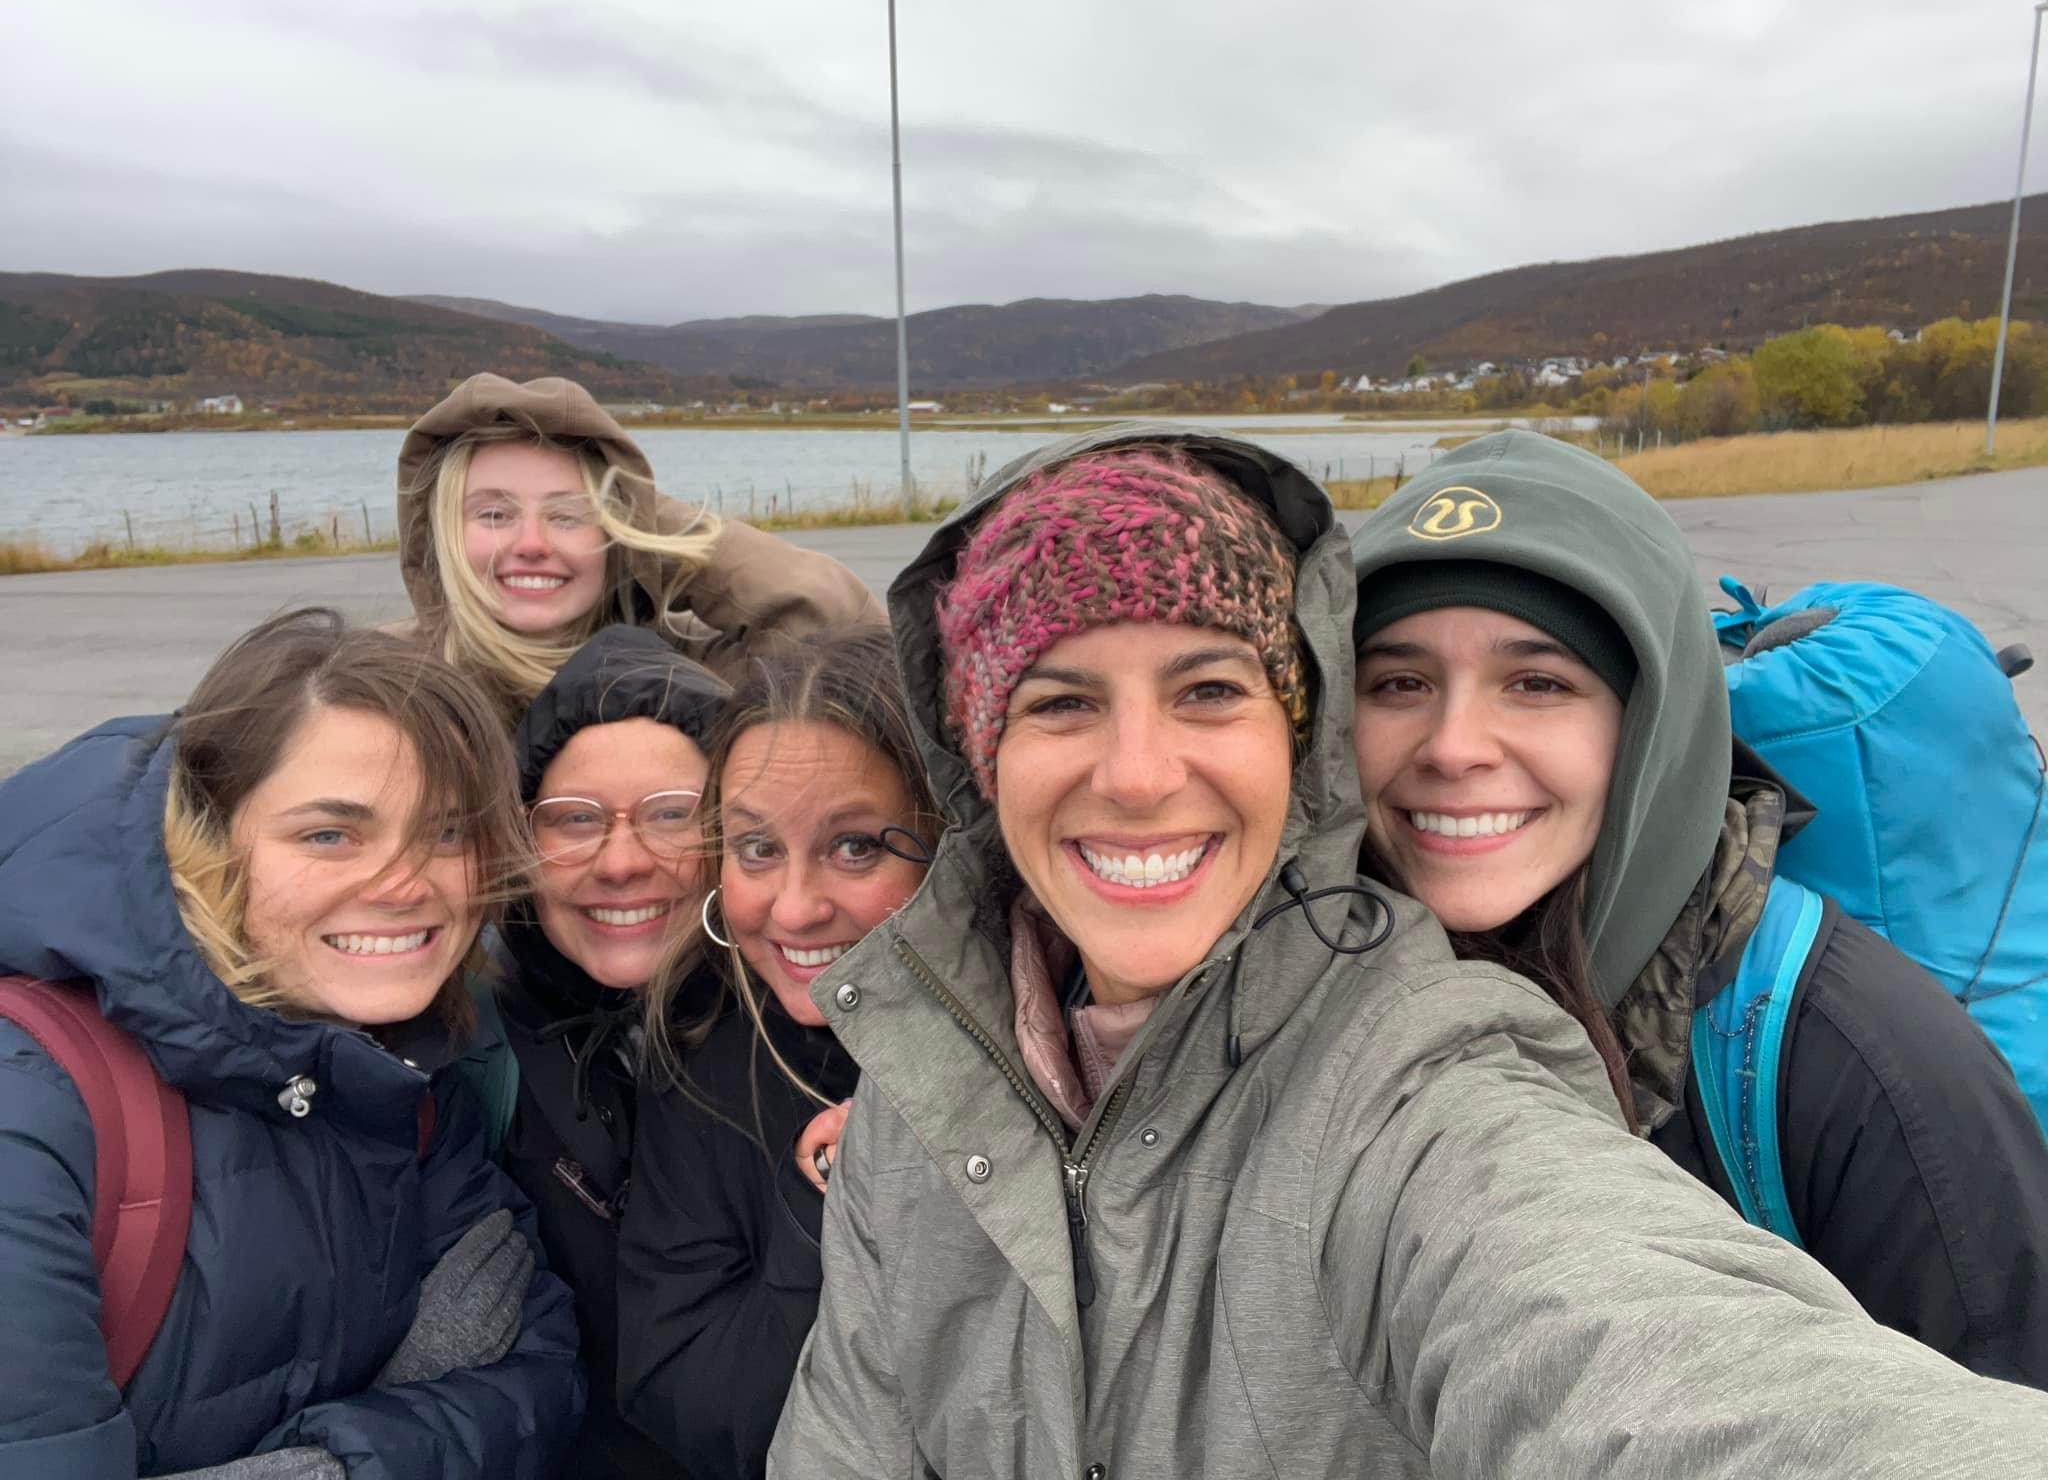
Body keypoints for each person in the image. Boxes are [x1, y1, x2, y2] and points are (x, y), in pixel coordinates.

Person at [768, 424, 2048, 1479]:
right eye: (1059, 701)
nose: (1449, 750)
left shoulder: (1451, 1083)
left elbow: (1644, 1352)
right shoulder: (921, 1090)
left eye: (1210, 688)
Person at [1346, 427, 2048, 1385]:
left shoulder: (1863, 1069)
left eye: (1539, 682)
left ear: (1650, 723)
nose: (1453, 745)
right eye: (1399, 682)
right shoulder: (1292, 989)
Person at [0, 609, 582, 1480]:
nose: (405, 884)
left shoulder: (404, 1071)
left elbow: (539, 1374)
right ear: (206, 840)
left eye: (448, 832)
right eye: (329, 834)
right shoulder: (38, 1115)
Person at [617, 626, 936, 1480]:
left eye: (856, 846)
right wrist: (824, 1207)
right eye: (758, 848)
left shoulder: (1058, 1042)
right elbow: (694, 1408)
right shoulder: (701, 1059)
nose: (793, 910)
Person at [491, 624, 731, 1479]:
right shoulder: (469, 1059)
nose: (622, 861)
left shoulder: (813, 1049)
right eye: (575, 820)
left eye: (672, 815)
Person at [395, 372, 882, 713]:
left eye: (569, 516)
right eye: (495, 514)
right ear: (442, 534)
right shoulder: (391, 678)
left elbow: (841, 626)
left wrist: (648, 523)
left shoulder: (689, 670)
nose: (532, 543)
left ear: (617, 531)